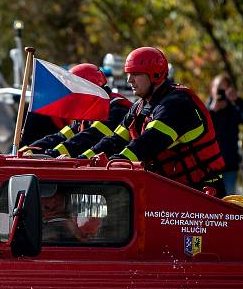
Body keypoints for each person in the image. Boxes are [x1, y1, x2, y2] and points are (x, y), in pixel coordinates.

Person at [79, 47, 225, 195]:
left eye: (135, 74)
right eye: (128, 74)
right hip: (173, 191)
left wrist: (114, 162)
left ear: (155, 75)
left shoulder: (177, 103)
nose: (129, 80)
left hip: (202, 194)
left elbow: (148, 143)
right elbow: (114, 140)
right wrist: (83, 161)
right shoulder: (139, 107)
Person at [22, 63, 132, 157]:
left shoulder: (117, 109)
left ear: (90, 91)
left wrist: (52, 154)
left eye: (75, 92)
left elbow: (89, 137)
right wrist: (29, 149)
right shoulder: (87, 114)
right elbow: (61, 137)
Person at [206, 74, 243, 195]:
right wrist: (212, 110)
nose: (220, 92)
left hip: (229, 164)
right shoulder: (206, 110)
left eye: (224, 89)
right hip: (209, 167)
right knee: (210, 203)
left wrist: (237, 101)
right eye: (218, 87)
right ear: (212, 89)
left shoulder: (234, 109)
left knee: (228, 202)